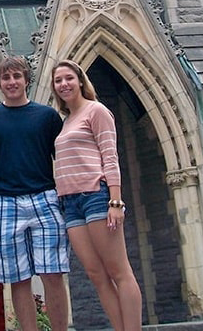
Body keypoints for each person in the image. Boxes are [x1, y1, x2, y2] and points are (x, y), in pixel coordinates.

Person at [51, 59, 142, 331]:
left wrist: (115, 201)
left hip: (96, 196)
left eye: (69, 78)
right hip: (71, 203)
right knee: (96, 274)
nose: (64, 84)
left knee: (119, 271)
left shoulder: (97, 111)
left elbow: (110, 157)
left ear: (80, 80)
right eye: (58, 81)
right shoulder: (66, 121)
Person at [0, 56, 70, 331]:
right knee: (17, 278)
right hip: (4, 201)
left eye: (17, 77)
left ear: (26, 80)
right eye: (6, 78)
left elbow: (63, 156)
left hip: (44, 197)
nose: (12, 82)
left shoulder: (47, 116)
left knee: (52, 274)